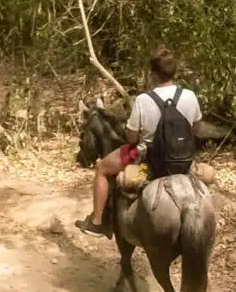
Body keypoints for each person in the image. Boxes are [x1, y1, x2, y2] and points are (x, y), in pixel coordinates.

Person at [75, 47, 202, 238]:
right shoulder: (190, 96)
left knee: (101, 169)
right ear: (174, 72)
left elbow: (132, 138)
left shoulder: (144, 100)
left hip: (149, 159)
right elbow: (197, 130)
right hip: (183, 160)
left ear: (153, 74)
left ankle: (97, 223)